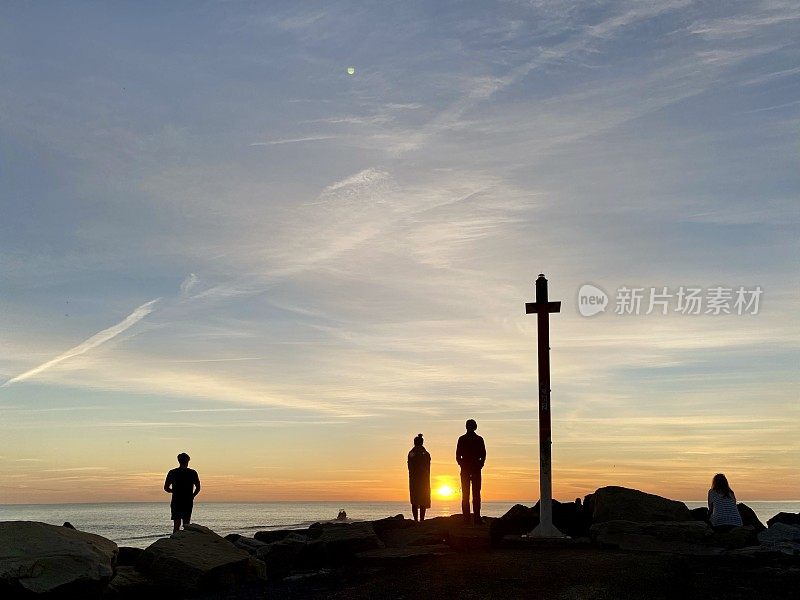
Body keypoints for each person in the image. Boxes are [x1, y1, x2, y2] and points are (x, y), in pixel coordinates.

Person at [456, 419, 486, 525]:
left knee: (466, 494)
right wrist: (480, 465)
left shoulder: (462, 439)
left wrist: (462, 464)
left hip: (469, 468)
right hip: (473, 468)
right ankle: (475, 517)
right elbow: (483, 455)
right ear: (475, 427)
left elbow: (458, 456)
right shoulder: (479, 439)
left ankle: (467, 518)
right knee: (475, 494)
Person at [164, 453, 201, 533]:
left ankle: (175, 543)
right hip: (187, 501)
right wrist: (192, 496)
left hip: (176, 501)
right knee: (186, 524)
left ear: (179, 461)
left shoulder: (172, 472)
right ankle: (185, 542)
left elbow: (166, 488)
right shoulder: (192, 472)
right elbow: (198, 487)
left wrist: (174, 491)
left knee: (176, 525)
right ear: (188, 461)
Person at [407, 433, 431, 522]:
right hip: (424, 479)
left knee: (415, 499)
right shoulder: (425, 453)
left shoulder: (411, 453)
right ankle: (422, 519)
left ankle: (416, 519)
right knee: (423, 500)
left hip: (414, 479)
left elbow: (409, 467)